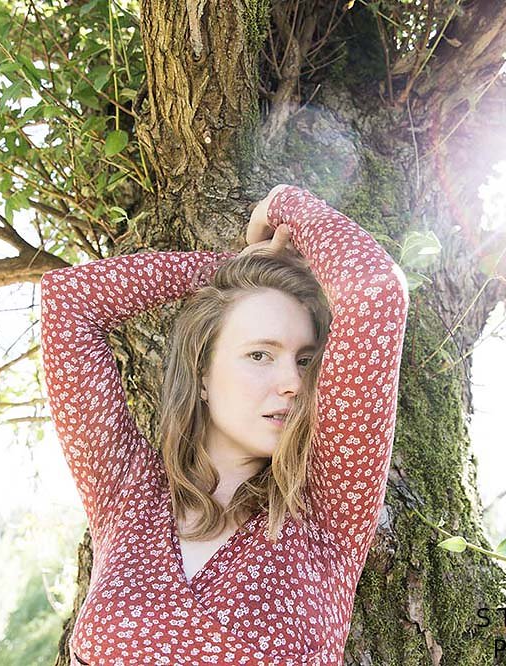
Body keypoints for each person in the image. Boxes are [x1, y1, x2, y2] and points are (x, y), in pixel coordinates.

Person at [40, 185, 410, 665]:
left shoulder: (325, 509)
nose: (292, 383)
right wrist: (225, 270)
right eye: (260, 354)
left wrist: (283, 204)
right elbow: (67, 300)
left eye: (304, 361)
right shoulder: (128, 493)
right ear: (202, 375)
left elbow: (374, 292)